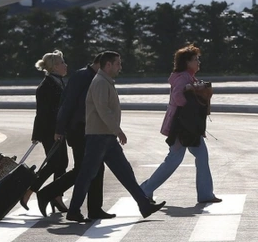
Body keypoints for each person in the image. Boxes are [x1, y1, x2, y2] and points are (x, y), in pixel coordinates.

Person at [66, 51, 165, 222]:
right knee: (87, 175)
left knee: (125, 172)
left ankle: (144, 204)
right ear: (108, 65)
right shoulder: (100, 83)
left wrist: (114, 131)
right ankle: (73, 211)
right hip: (98, 136)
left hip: (106, 136)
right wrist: (118, 130)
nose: (120, 67)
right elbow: (103, 110)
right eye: (118, 63)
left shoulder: (105, 82)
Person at [34, 52, 113, 219]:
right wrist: (60, 130)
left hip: (89, 130)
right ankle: (49, 194)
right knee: (84, 170)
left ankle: (94, 209)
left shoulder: (91, 77)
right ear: (102, 64)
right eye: (115, 65)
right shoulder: (82, 77)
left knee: (94, 169)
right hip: (79, 131)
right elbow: (67, 105)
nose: (117, 69)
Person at [140, 44, 221, 204]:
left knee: (201, 156)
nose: (198, 62)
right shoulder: (183, 77)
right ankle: (145, 190)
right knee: (174, 160)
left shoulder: (188, 77)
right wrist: (191, 96)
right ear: (187, 62)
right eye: (195, 59)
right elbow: (178, 97)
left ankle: (205, 194)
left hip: (189, 127)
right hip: (182, 127)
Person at [19, 50, 70, 213]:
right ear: (54, 67)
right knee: (55, 163)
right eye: (62, 63)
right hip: (51, 132)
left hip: (60, 131)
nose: (65, 65)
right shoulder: (46, 86)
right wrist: (37, 135)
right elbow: (42, 113)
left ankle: (57, 196)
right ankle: (30, 191)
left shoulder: (59, 82)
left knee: (62, 163)